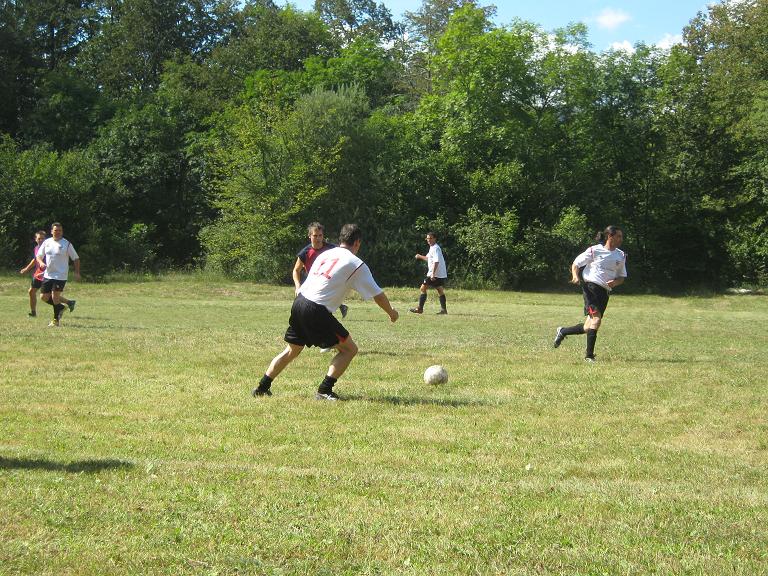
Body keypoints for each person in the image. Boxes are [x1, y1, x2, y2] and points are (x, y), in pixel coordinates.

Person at [254, 224, 399, 401]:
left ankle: (262, 387)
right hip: (316, 310)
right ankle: (324, 390)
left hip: (299, 302)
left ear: (341, 239)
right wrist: (392, 313)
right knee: (349, 350)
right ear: (357, 243)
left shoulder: (325, 254)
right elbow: (378, 295)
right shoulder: (356, 263)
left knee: (292, 350)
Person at [553, 226, 627, 362]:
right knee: (596, 320)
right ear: (609, 236)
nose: (621, 239)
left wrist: (615, 283)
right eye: (618, 236)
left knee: (588, 327)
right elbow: (576, 263)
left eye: (621, 236)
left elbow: (622, 277)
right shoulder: (594, 250)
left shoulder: (621, 255)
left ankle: (563, 331)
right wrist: (575, 276)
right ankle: (589, 356)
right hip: (591, 288)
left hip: (605, 292)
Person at [293, 222, 348, 318]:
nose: (318, 238)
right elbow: (296, 270)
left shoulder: (331, 248)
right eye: (315, 236)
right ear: (309, 236)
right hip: (311, 281)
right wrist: (297, 286)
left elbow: (344, 255)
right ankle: (340, 306)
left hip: (328, 279)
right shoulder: (305, 253)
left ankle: (336, 308)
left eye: (320, 235)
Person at [36, 222, 80, 327]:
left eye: (60, 230)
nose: (58, 232)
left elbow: (76, 258)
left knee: (55, 297)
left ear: (62, 232)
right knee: (43, 297)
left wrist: (77, 272)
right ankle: (60, 307)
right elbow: (39, 256)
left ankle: (56, 321)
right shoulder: (46, 242)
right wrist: (41, 263)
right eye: (56, 230)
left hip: (60, 275)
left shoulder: (66, 244)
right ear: (52, 231)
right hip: (48, 275)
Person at [409, 231, 448, 315]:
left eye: (430, 238)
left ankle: (420, 309)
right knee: (440, 290)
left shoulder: (436, 248)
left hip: (434, 273)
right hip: (439, 273)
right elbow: (428, 258)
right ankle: (444, 310)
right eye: (427, 238)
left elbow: (436, 261)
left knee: (422, 289)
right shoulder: (432, 248)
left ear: (435, 239)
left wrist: (433, 274)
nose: (428, 240)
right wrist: (419, 256)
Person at [19, 230, 47, 317]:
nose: (41, 240)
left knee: (48, 296)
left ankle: (68, 302)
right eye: (39, 238)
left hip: (47, 274)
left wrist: (46, 271)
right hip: (38, 274)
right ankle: (33, 313)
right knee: (31, 291)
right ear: (35, 239)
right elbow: (35, 260)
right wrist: (26, 269)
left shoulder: (48, 248)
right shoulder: (36, 248)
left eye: (43, 238)